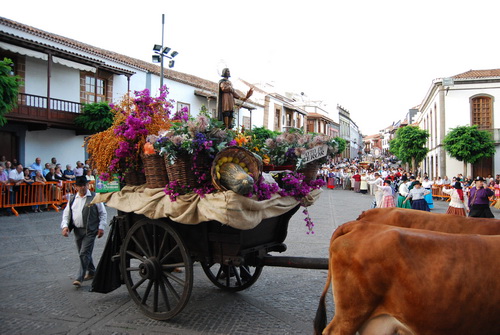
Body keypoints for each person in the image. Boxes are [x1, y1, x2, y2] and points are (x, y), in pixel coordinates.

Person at [61, 176, 107, 287]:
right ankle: (91, 272)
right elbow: (67, 214)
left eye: (84, 185)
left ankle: (79, 277)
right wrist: (65, 226)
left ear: (87, 185)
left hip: (90, 230)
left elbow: (103, 213)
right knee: (83, 253)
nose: (83, 188)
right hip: (77, 230)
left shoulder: (95, 197)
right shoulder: (72, 199)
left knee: (84, 253)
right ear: (76, 187)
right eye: (80, 186)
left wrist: (101, 227)